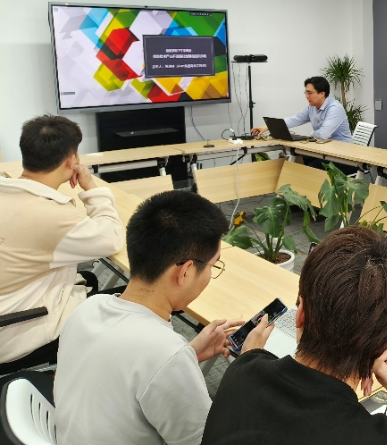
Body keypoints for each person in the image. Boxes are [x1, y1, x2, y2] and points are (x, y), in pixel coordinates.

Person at [54, 190, 270, 445]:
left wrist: (189, 355)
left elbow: (127, 369)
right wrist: (248, 365)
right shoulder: (165, 354)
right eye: (213, 266)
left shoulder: (88, 307)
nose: (210, 275)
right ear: (186, 271)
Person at [201, 227, 387, 445]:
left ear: (301, 314)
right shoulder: (370, 438)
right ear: (380, 347)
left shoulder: (241, 373)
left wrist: (251, 355)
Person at [0, 114, 124, 367]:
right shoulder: (52, 215)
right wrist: (92, 189)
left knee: (91, 282)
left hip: (11, 306)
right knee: (138, 305)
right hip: (18, 330)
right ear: (71, 160)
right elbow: (112, 238)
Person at [251, 76, 353, 143]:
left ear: (322, 93)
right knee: (298, 158)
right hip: (324, 148)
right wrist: (267, 127)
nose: (306, 96)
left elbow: (323, 134)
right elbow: (295, 119)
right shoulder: (312, 107)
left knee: (308, 164)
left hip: (343, 152)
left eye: (310, 93)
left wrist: (308, 136)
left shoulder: (335, 108)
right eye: (306, 93)